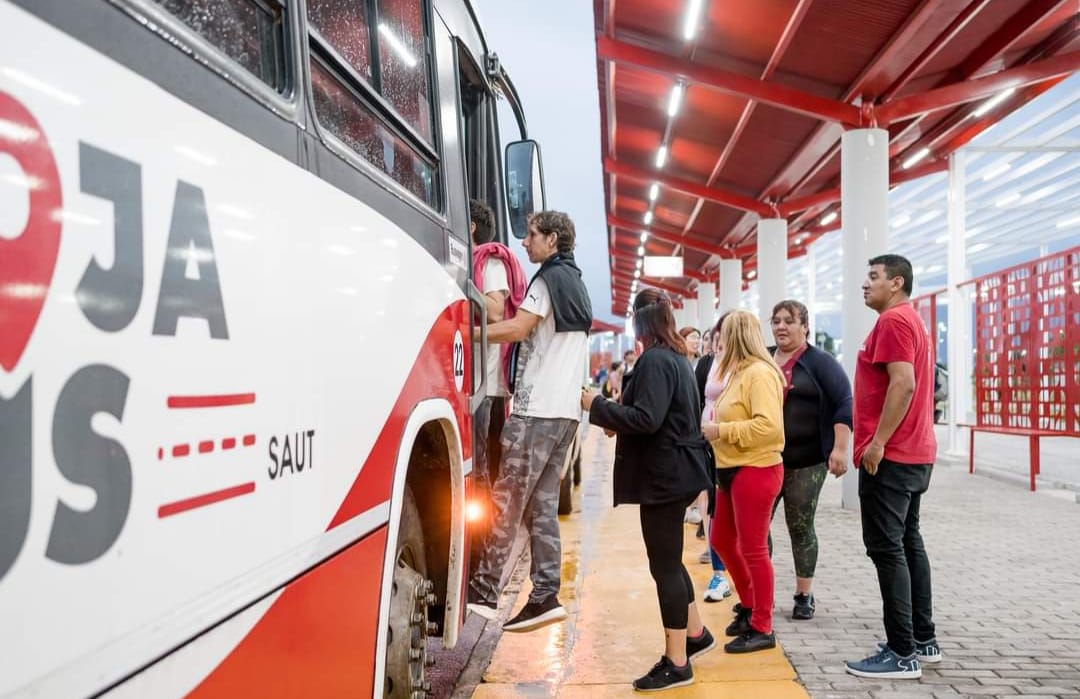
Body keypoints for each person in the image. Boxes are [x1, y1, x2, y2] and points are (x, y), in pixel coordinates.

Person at [581, 289, 715, 692]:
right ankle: (695, 634)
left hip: (663, 476)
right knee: (672, 563)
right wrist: (617, 417)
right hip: (676, 473)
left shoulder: (655, 359)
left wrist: (596, 406)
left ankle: (677, 661)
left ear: (641, 322)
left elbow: (647, 418)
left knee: (665, 568)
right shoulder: (675, 357)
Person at [467, 211, 592, 633]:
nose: (525, 242)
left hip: (536, 410)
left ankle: (483, 590)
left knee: (507, 500)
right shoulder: (577, 284)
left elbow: (520, 328)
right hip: (565, 415)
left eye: (532, 235)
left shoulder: (545, 282)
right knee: (540, 506)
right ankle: (544, 595)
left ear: (553, 240)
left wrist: (471, 335)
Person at [845, 255, 939, 679]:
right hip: (916, 452)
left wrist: (877, 442)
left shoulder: (893, 322)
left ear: (896, 283)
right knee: (908, 542)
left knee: (888, 549)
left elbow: (904, 383)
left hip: (894, 454)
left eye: (874, 277)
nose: (865, 284)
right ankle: (922, 638)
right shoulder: (913, 321)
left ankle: (902, 653)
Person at [702, 310, 785, 654]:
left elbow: (770, 427)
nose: (717, 341)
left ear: (736, 337)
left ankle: (763, 624)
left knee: (753, 548)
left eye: (723, 335)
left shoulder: (760, 374)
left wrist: (721, 431)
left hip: (757, 467)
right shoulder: (737, 372)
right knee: (721, 538)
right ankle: (750, 605)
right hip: (731, 468)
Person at [767, 299, 852, 620]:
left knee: (800, 526)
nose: (781, 327)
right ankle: (762, 593)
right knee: (757, 527)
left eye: (789, 321)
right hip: (765, 459)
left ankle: (804, 595)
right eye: (776, 321)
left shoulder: (821, 363)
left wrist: (840, 449)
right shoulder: (762, 357)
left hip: (807, 461)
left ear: (805, 327)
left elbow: (844, 403)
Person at [469, 200, 526, 566]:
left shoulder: (488, 263)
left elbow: (493, 309)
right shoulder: (476, 260)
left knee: (482, 473)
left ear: (471, 226)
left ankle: (484, 555)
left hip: (485, 387)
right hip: (475, 383)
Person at [696, 315, 733, 600]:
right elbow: (696, 397)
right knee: (713, 509)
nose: (718, 341)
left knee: (739, 516)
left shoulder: (746, 366)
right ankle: (719, 574)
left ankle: (740, 574)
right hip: (708, 446)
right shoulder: (707, 364)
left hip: (738, 446)